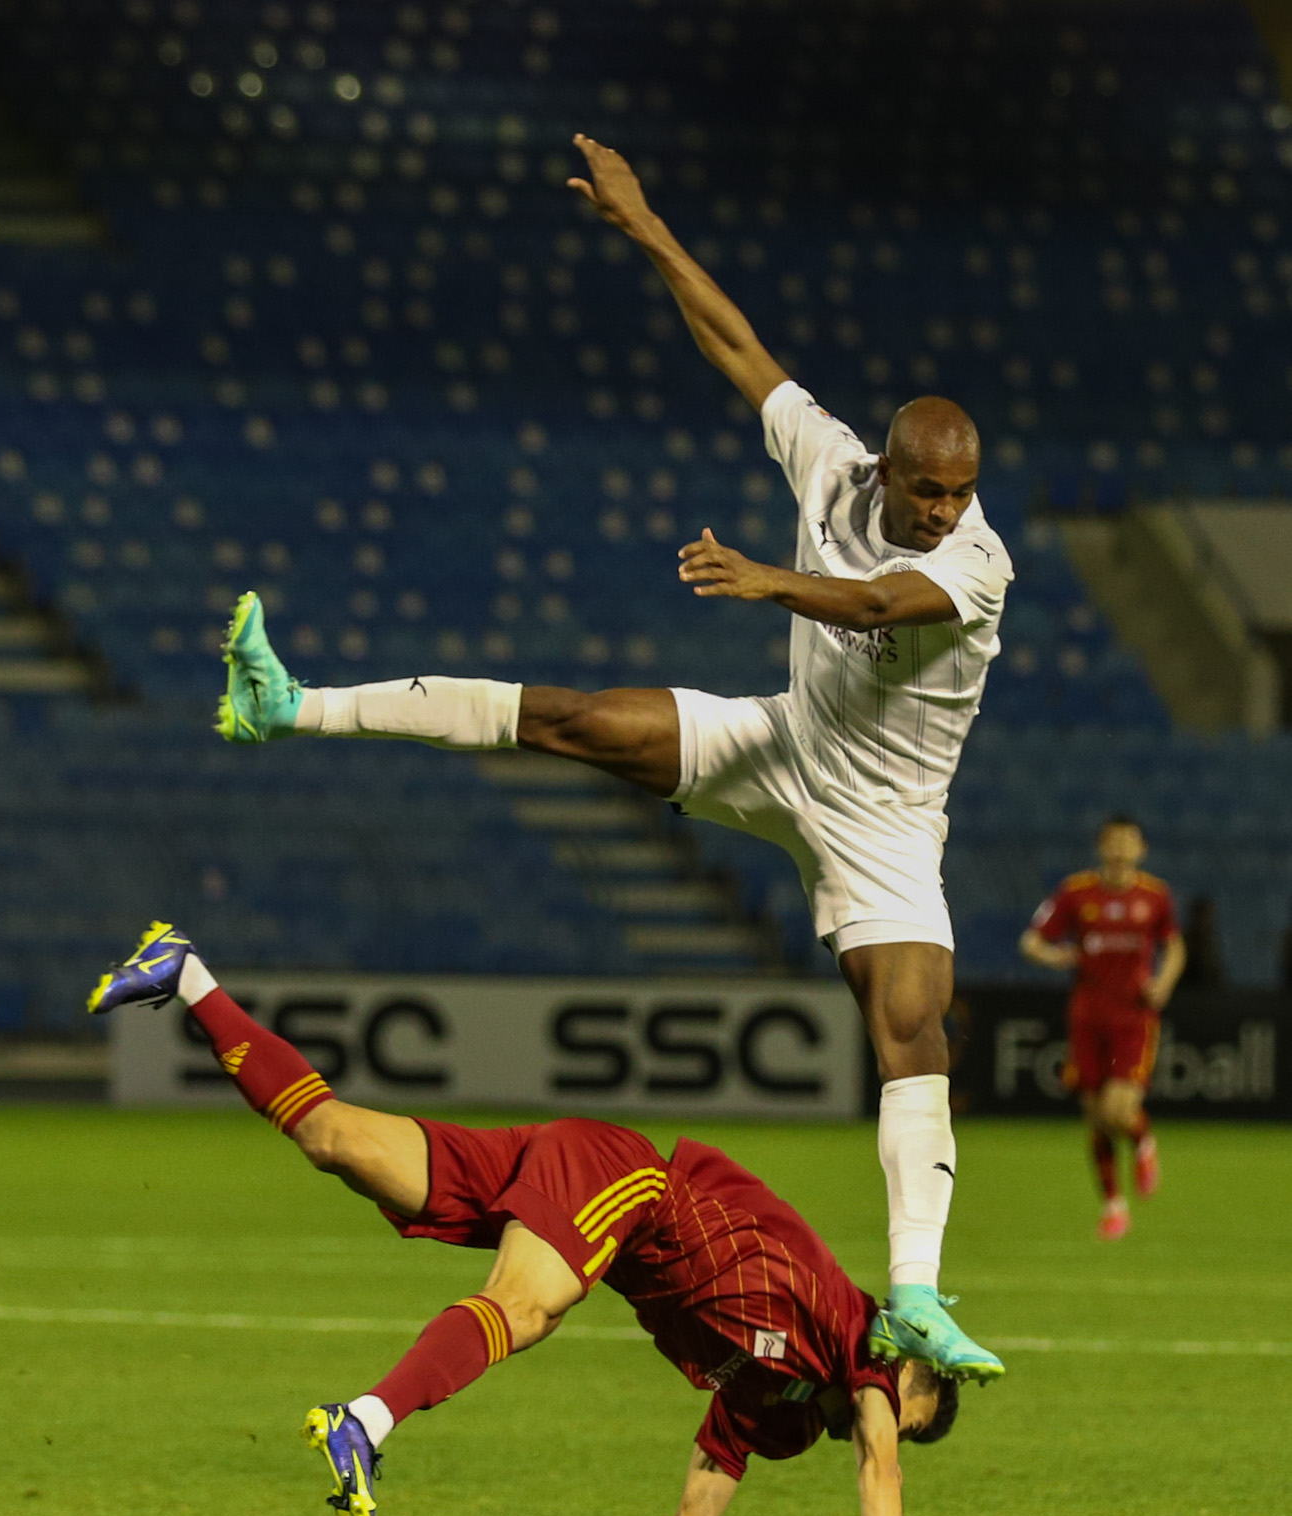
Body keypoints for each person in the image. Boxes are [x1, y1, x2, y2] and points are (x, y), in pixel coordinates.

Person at [210, 134, 1014, 1384]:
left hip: (889, 820)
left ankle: (912, 1291)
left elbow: (877, 609)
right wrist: (643, 226)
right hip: (786, 743)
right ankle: (286, 703)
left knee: (910, 1027)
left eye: (956, 495)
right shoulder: (836, 463)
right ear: (895, 466)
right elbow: (738, 345)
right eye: (926, 490)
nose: (941, 511)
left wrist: (766, 584)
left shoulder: (975, 563)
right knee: (569, 718)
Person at [90, 921, 962, 1516]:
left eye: (892, 1412)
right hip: (630, 1191)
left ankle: (186, 974)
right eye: (901, 1400)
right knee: (527, 1310)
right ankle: (365, 1421)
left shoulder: (766, 1398)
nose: (875, 1416)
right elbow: (880, 1466)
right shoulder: (858, 1335)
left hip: (582, 1189)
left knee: (333, 1139)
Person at [1020, 816, 1185, 1240]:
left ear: (1141, 849)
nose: (1120, 849)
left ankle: (1143, 1141)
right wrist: (1057, 957)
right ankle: (1114, 1205)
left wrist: (1163, 983)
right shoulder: (1076, 893)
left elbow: (1175, 946)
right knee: (1095, 1119)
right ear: (1100, 847)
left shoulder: (1155, 896)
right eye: (1113, 842)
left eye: (1128, 842)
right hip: (1088, 1017)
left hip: (1133, 1018)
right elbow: (1032, 941)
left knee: (1117, 1110)